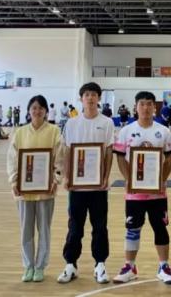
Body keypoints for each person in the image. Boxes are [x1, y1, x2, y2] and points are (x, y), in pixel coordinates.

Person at [112, 91, 171, 285]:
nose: (146, 107)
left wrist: (162, 180)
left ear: (154, 107)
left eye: (149, 104)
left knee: (160, 228)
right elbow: (120, 158)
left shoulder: (163, 131)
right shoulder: (126, 131)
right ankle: (130, 266)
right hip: (135, 194)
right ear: (136, 107)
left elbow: (169, 159)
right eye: (142, 104)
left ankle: (164, 266)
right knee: (132, 228)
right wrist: (128, 180)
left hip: (158, 193)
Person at [58, 82, 115, 285]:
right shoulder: (72, 123)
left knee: (100, 226)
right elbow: (67, 151)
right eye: (86, 95)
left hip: (98, 187)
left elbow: (108, 152)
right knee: (75, 226)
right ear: (81, 99)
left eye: (93, 95)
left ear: (99, 98)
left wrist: (106, 176)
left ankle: (100, 264)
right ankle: (70, 264)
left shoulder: (107, 122)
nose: (90, 98)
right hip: (77, 186)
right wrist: (66, 176)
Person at [6, 95, 62, 283]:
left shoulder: (54, 131)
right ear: (29, 111)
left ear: (46, 111)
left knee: (44, 229)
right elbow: (12, 160)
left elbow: (60, 158)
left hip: (46, 190)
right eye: (34, 108)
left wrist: (56, 179)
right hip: (24, 190)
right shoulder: (20, 133)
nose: (37, 111)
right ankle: (28, 265)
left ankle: (40, 267)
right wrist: (14, 181)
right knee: (26, 230)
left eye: (41, 108)